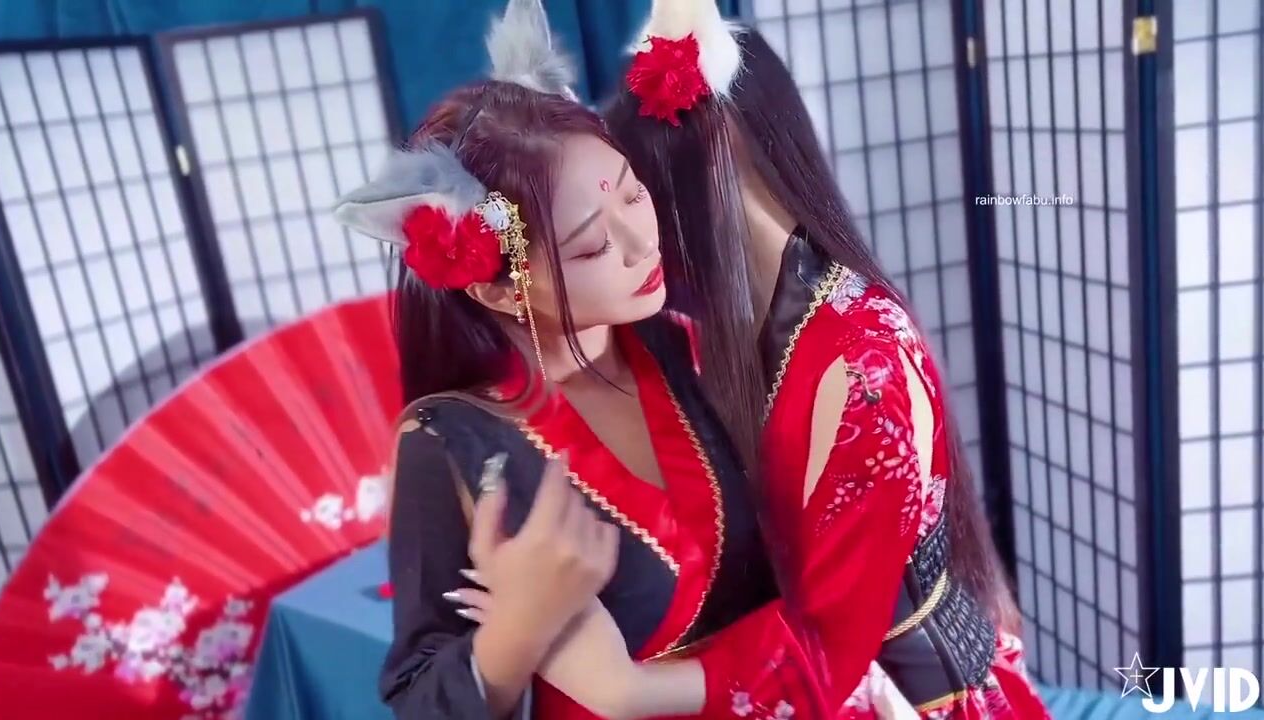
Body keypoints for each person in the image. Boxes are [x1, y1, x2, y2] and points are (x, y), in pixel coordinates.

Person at [333, 2, 873, 718]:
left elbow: (818, 585)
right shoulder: (449, 441)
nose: (643, 243)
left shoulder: (678, 345)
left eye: (633, 195)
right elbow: (420, 696)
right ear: (497, 285)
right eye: (591, 245)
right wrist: (514, 634)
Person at [585, 1, 1053, 717]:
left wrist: (625, 689)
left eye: (640, 194)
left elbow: (830, 652)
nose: (638, 235)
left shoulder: (863, 367)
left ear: (718, 152)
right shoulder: (734, 332)